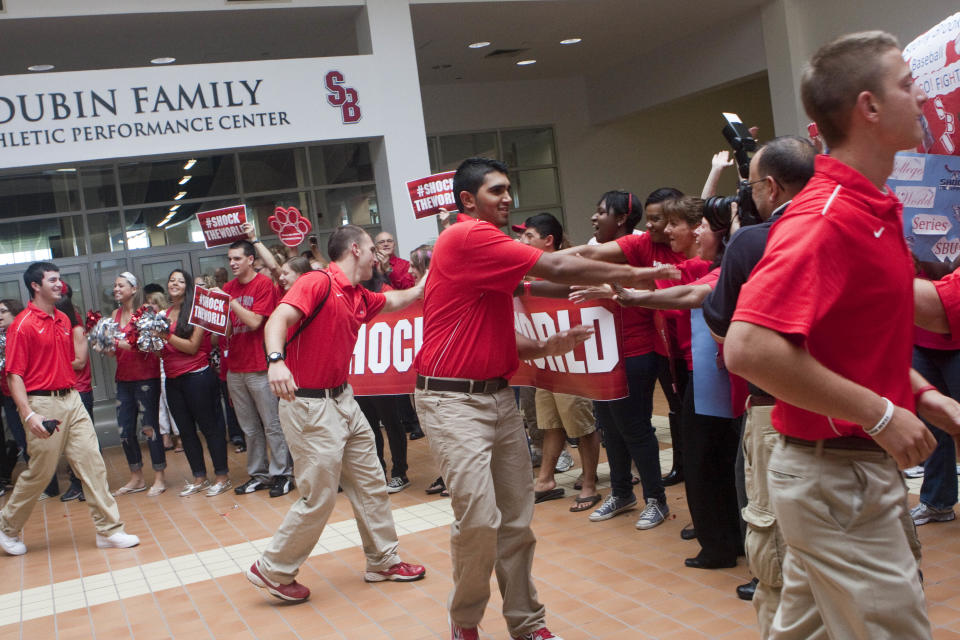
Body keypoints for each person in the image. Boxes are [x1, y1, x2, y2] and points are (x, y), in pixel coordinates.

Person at [722, 32, 954, 639]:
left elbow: (846, 341)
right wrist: (880, 413)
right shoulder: (826, 220)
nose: (922, 94)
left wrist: (922, 398)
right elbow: (748, 347)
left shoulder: (870, 208)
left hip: (835, 477)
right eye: (907, 83)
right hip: (838, 482)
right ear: (868, 107)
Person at [414, 157, 679, 640]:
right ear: (468, 200)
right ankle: (465, 621)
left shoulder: (489, 255)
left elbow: (515, 305)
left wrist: (546, 346)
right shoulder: (466, 236)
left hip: (496, 399)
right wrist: (640, 274)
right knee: (478, 517)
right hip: (451, 401)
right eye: (496, 190)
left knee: (516, 519)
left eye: (509, 189)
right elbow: (556, 263)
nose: (508, 197)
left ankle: (527, 624)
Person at [246, 224, 428, 603]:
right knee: (320, 496)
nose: (378, 256)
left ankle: (382, 560)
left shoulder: (360, 295)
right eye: (371, 248)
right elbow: (278, 319)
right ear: (355, 250)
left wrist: (427, 281)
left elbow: (397, 301)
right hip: (308, 405)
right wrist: (276, 362)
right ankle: (273, 569)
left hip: (344, 400)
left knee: (371, 481)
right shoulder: (318, 282)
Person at [700, 135, 816, 623]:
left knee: (777, 549)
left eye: (749, 186)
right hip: (859, 414)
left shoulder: (752, 241)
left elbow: (721, 324)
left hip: (776, 410)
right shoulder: (854, 227)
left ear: (769, 187)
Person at [558, 190, 685, 529]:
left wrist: (612, 293)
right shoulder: (619, 250)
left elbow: (661, 299)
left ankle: (655, 499)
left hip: (636, 350)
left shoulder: (647, 247)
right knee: (609, 428)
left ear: (622, 218)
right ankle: (621, 491)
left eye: (602, 212)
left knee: (635, 428)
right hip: (604, 353)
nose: (594, 217)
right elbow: (583, 254)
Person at [0, 262, 139, 555]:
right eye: (52, 280)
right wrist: (28, 413)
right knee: (40, 471)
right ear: (36, 286)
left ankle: (109, 530)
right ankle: (6, 528)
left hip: (72, 399)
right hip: (42, 403)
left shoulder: (63, 319)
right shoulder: (22, 325)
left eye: (59, 279)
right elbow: (14, 375)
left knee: (92, 462)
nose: (58, 284)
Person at [516, 212, 603, 513]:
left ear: (548, 240)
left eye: (528, 236)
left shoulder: (568, 271)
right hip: (545, 364)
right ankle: (545, 480)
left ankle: (590, 482)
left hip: (574, 361)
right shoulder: (527, 275)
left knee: (580, 423)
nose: (522, 241)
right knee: (551, 423)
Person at [219, 239, 294, 498]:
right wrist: (215, 316)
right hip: (236, 368)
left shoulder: (263, 285)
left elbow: (254, 322)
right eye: (230, 259)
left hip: (260, 366)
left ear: (250, 259)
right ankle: (259, 474)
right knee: (248, 427)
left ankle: (283, 474)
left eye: (237, 258)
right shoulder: (228, 288)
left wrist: (230, 303)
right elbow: (228, 330)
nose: (232, 263)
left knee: (272, 423)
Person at [160, 269, 231, 497]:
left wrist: (164, 336)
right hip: (173, 381)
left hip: (198, 378)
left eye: (180, 281)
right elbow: (163, 351)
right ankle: (199, 477)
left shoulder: (197, 311)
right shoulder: (166, 313)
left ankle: (222, 477)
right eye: (171, 280)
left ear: (188, 286)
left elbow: (192, 347)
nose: (174, 283)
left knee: (211, 429)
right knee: (186, 432)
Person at [108, 272, 167, 497]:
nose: (116, 289)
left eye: (120, 285)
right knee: (124, 430)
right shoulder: (114, 314)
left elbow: (149, 346)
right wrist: (107, 346)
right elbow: (116, 349)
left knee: (149, 428)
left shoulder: (146, 313)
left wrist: (120, 344)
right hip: (123, 379)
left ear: (134, 289)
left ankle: (159, 476)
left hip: (146, 377)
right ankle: (137, 477)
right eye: (115, 286)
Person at [56, 282, 97, 503]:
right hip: (67, 391)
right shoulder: (61, 330)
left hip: (80, 390)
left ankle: (85, 484)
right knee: (70, 443)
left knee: (84, 442)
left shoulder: (76, 329)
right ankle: (77, 483)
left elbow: (80, 362)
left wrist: (53, 362)